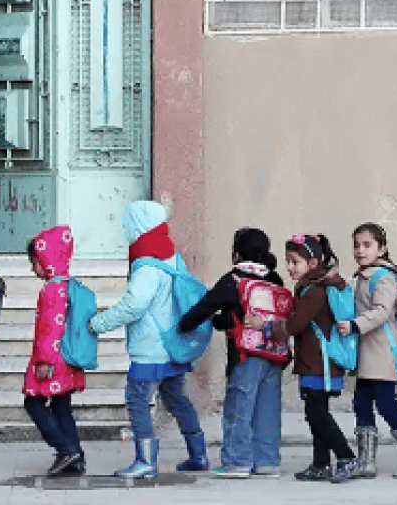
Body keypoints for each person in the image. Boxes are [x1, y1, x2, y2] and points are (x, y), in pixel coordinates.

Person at [90, 200, 208, 478]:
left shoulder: (147, 263)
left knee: (137, 400)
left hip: (150, 347)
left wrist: (99, 323)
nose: (125, 228)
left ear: (139, 225)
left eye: (129, 223)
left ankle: (145, 462)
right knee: (178, 400)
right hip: (172, 343)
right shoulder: (169, 253)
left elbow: (135, 304)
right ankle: (198, 455)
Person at [178, 227, 286, 479]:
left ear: (238, 252)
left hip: (246, 354)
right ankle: (267, 461)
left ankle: (236, 461)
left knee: (240, 405)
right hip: (274, 353)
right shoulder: (274, 278)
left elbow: (205, 307)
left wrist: (183, 326)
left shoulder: (234, 279)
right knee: (268, 408)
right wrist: (224, 320)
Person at [252, 233, 358, 483]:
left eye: (294, 262)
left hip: (320, 363)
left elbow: (296, 325)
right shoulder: (310, 287)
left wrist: (266, 325)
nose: (289, 267)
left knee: (317, 413)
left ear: (312, 264)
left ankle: (346, 457)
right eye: (287, 261)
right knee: (315, 412)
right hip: (313, 362)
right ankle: (320, 464)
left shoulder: (316, 292)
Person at [336, 223, 397, 479]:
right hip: (367, 353)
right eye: (356, 245)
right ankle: (366, 461)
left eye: (367, 245)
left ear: (382, 248)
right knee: (361, 403)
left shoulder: (384, 277)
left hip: (381, 352)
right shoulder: (363, 275)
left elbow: (382, 311)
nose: (360, 250)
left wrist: (354, 325)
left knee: (387, 404)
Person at [23, 225, 87, 477]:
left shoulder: (52, 289)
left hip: (52, 359)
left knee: (33, 403)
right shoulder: (69, 286)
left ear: (46, 258)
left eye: (34, 262)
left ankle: (64, 449)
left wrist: (44, 360)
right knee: (62, 408)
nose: (32, 268)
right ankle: (76, 457)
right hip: (68, 360)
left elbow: (51, 327)